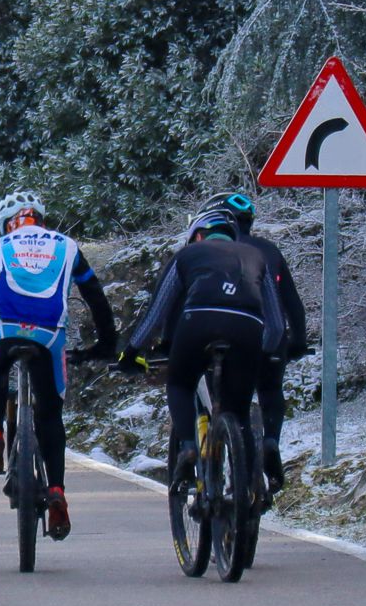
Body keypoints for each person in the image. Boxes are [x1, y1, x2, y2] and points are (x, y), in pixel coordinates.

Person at [0, 190, 118, 540]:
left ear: (6, 224)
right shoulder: (67, 245)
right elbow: (96, 297)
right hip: (50, 335)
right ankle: (56, 489)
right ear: (40, 218)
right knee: (50, 413)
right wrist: (106, 342)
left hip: (6, 330)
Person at [121, 205, 284, 483]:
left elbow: (159, 309)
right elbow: (277, 324)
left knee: (180, 384)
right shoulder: (256, 256)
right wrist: (265, 353)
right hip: (247, 328)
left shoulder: (187, 255)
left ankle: (187, 447)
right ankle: (247, 488)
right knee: (239, 409)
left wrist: (133, 349)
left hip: (198, 321)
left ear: (198, 236)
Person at [207, 191, 307, 489]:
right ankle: (271, 440)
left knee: (227, 403)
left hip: (226, 336)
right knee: (270, 389)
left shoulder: (211, 248)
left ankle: (230, 463)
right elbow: (292, 302)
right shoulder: (270, 250)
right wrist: (298, 341)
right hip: (271, 334)